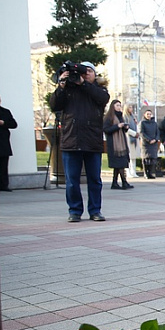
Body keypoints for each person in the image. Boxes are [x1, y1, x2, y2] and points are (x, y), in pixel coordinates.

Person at [49, 61, 110, 222]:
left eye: (89, 71)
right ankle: (74, 211)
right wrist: (61, 84)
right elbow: (54, 105)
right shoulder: (68, 90)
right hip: (71, 140)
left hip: (92, 141)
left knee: (95, 180)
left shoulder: (99, 90)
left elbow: (102, 99)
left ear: (95, 74)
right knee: (72, 181)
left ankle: (95, 211)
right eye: (83, 72)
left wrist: (83, 84)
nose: (85, 74)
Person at [103, 100, 134, 190]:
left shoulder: (120, 116)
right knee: (119, 164)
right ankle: (124, 182)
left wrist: (125, 127)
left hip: (121, 143)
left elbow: (122, 130)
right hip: (114, 144)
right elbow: (106, 129)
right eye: (117, 105)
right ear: (113, 106)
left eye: (120, 105)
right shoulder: (109, 117)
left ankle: (115, 182)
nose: (119, 107)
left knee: (119, 164)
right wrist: (117, 126)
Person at [140, 108, 160, 179]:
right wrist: (148, 140)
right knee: (146, 159)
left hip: (154, 143)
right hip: (146, 144)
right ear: (144, 115)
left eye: (150, 114)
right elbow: (142, 133)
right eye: (147, 114)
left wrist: (156, 139)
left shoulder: (154, 123)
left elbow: (158, 132)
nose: (149, 115)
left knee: (153, 159)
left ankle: (151, 173)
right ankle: (146, 173)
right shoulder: (142, 123)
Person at [123, 104, 141, 179]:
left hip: (135, 138)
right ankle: (128, 172)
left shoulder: (133, 117)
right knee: (129, 156)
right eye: (130, 107)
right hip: (128, 138)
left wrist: (138, 132)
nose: (131, 109)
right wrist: (134, 133)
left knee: (133, 157)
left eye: (132, 107)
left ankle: (133, 171)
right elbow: (125, 128)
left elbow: (137, 126)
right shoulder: (125, 117)